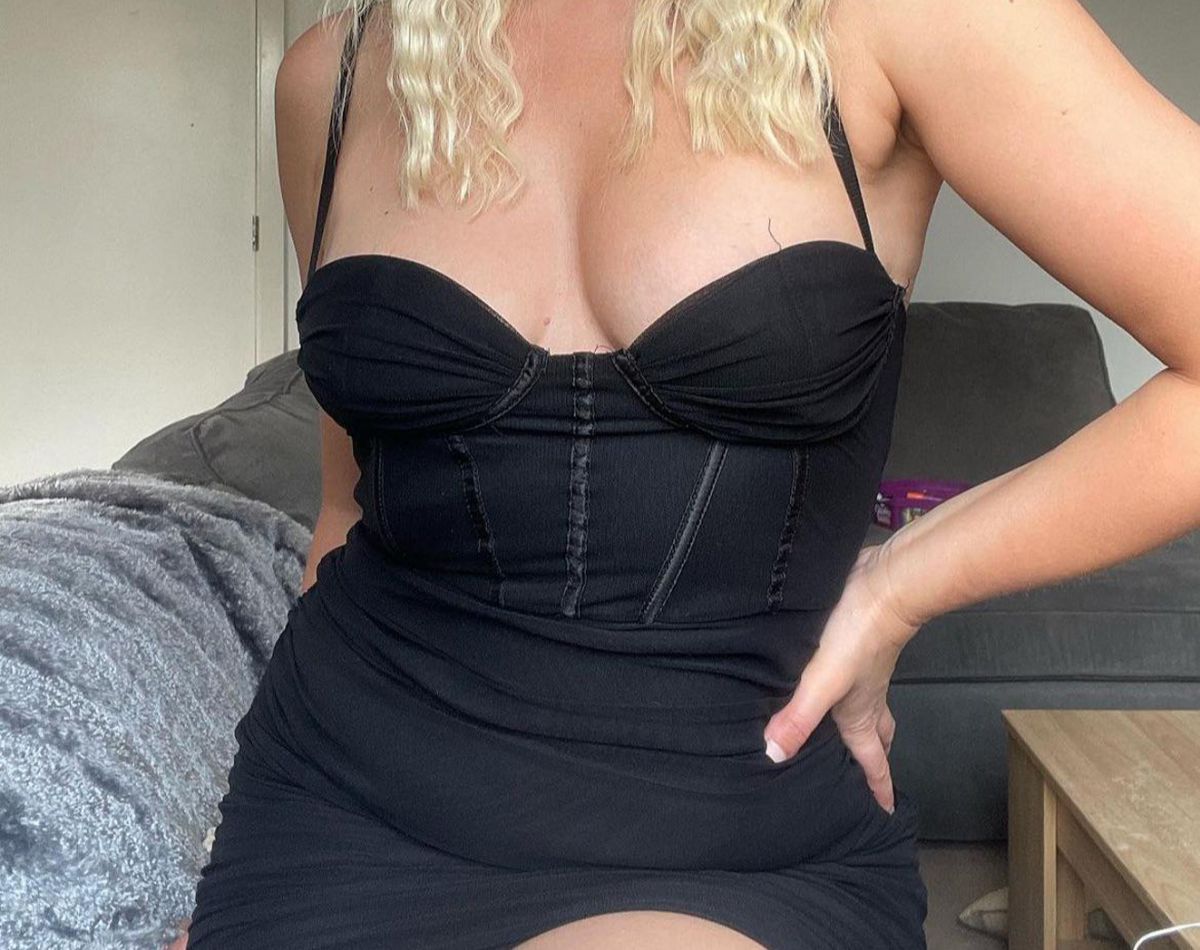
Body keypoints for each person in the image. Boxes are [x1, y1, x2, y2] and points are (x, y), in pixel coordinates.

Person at [172, 0, 1200, 947]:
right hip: (342, 805)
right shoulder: (338, 72)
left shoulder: (898, 19)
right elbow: (350, 504)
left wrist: (901, 582)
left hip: (734, 840)